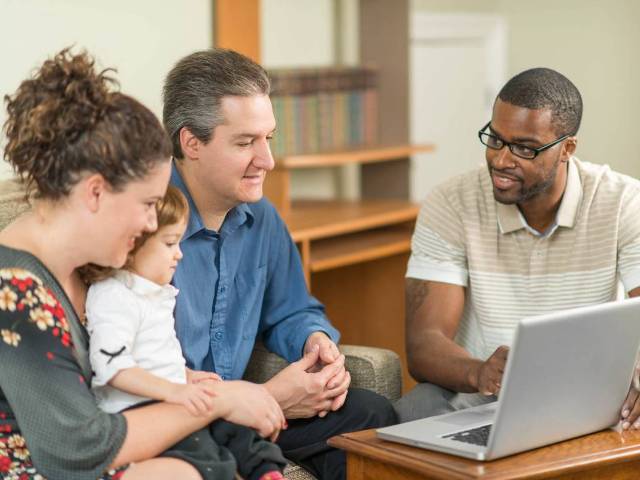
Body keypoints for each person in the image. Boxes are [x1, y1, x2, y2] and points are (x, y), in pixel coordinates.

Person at [0, 49, 284, 480]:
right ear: (95, 194)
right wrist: (219, 400)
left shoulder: (89, 265)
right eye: (148, 204)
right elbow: (76, 450)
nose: (153, 223)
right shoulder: (14, 293)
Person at [162, 48, 397, 480]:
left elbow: (291, 308)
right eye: (245, 142)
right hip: (177, 422)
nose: (267, 160)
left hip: (238, 414)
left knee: (372, 417)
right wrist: (269, 397)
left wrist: (314, 340)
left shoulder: (262, 218)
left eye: (268, 138)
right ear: (190, 142)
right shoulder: (148, 225)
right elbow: (143, 382)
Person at [395, 67, 640, 430]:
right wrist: (480, 373)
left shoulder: (622, 202)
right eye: (494, 139)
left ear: (567, 149)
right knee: (408, 415)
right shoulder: (450, 203)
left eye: (524, 148)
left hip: (588, 400)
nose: (501, 160)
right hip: (478, 397)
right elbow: (424, 344)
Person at [85, 185, 287, 480]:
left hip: (169, 397)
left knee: (235, 424)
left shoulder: (153, 293)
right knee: (207, 450)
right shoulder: (113, 295)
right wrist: (175, 390)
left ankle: (267, 470)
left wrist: (186, 376)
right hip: (140, 410)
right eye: (169, 243)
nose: (179, 254)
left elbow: (154, 356)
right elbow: (112, 368)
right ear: (132, 243)